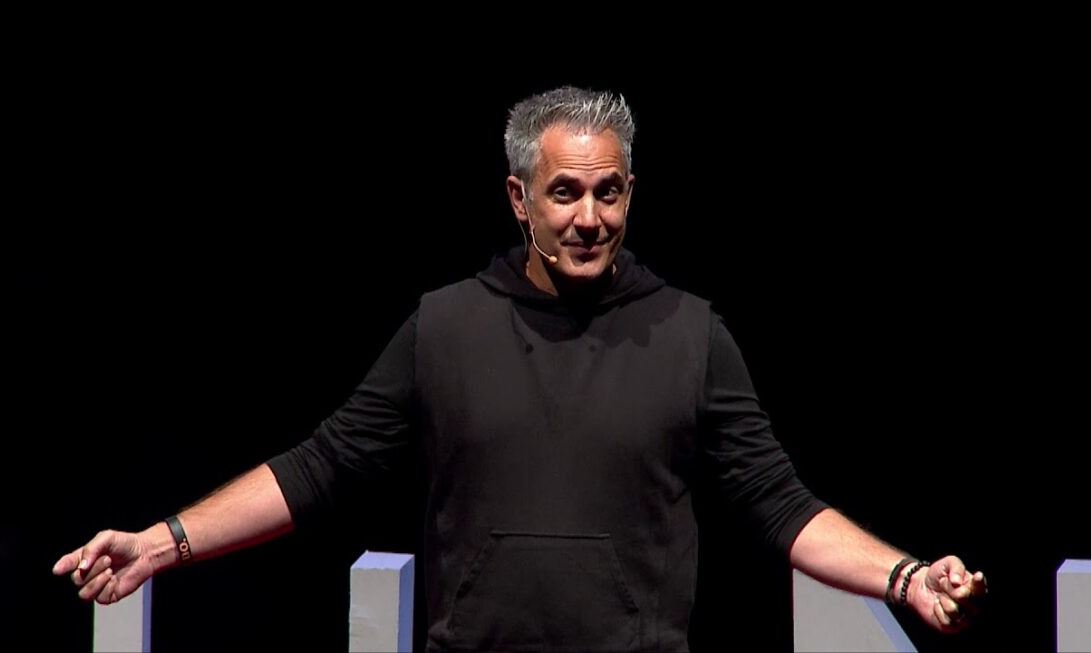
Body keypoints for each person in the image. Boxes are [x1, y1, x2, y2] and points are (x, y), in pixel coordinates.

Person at [53, 85, 988, 651]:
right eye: (564, 192)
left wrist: (905, 576)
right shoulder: (445, 325)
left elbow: (780, 503)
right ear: (519, 198)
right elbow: (319, 467)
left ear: (631, 193)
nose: (590, 217)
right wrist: (159, 543)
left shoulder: (690, 332)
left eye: (609, 192)